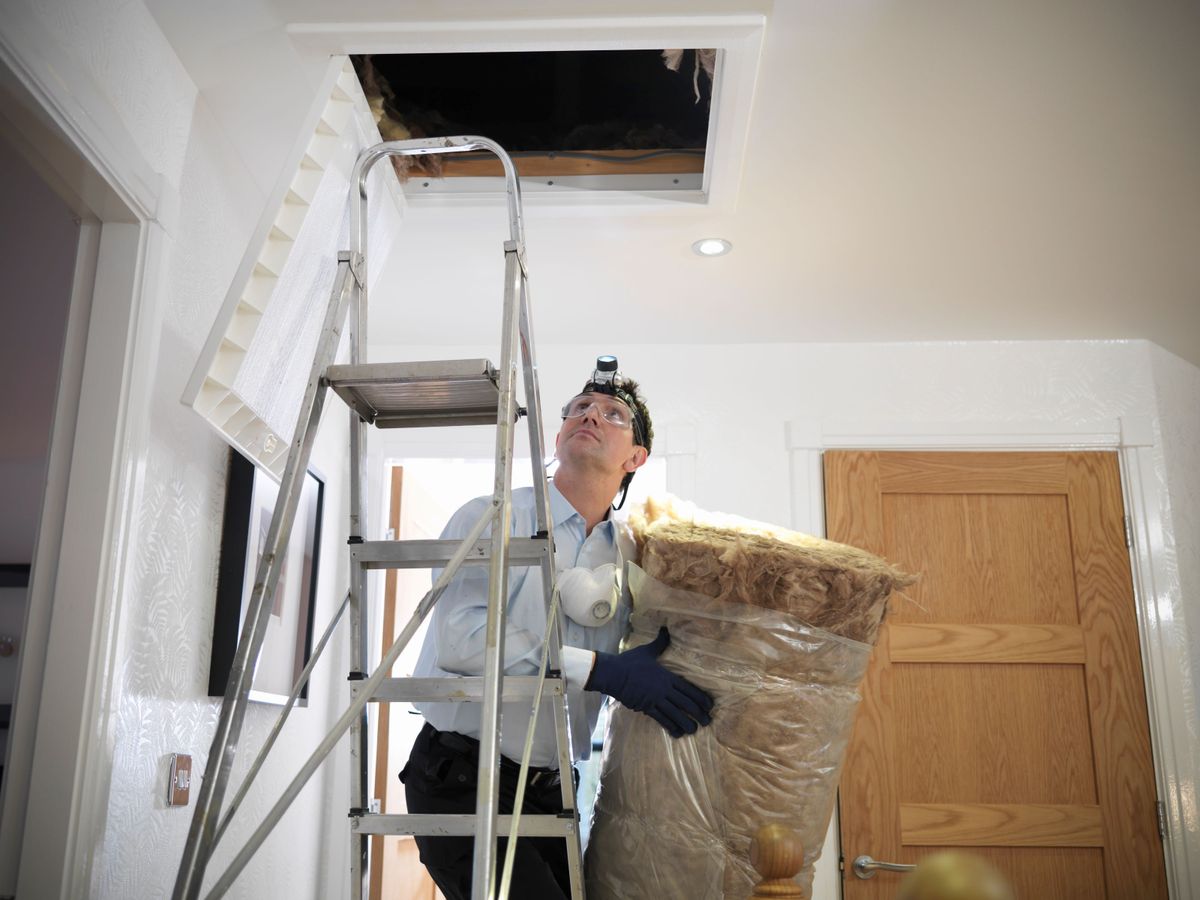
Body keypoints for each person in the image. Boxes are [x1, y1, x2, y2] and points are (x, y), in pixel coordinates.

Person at [400, 356, 715, 900]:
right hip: (461, 779)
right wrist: (595, 669)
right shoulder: (495, 517)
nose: (591, 415)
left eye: (613, 414)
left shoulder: (633, 554)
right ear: (560, 432)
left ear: (637, 457)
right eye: (580, 408)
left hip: (554, 789)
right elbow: (460, 640)